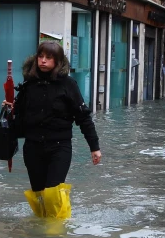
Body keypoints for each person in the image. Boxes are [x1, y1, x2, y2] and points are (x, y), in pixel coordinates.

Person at [9, 41, 102, 218]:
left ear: (57, 61)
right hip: (33, 147)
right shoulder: (29, 85)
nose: (43, 61)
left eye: (48, 58)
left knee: (53, 191)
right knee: (38, 194)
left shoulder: (68, 84)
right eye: (41, 57)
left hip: (60, 147)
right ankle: (40, 232)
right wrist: (10, 110)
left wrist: (94, 147)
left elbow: (83, 118)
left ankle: (58, 233)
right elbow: (19, 119)